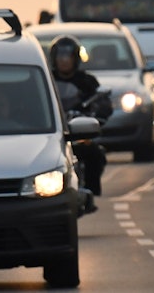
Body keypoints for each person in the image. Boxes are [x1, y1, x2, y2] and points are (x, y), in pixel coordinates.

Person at [49, 36, 110, 215]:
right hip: (56, 131)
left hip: (78, 129)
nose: (64, 60)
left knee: (95, 153)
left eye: (68, 56)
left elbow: (103, 102)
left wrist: (99, 112)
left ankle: (90, 191)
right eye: (60, 56)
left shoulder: (87, 81)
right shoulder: (48, 80)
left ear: (75, 58)